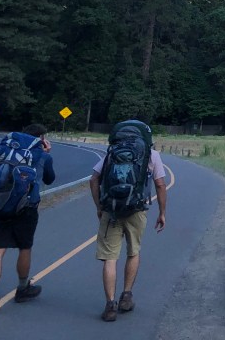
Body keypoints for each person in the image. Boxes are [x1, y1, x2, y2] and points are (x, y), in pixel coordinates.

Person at [89, 125, 166, 322]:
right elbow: (160, 184)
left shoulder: (112, 152)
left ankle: (110, 306)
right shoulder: (151, 154)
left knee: (110, 258)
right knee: (133, 252)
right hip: (136, 210)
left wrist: (99, 206)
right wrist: (162, 213)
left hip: (111, 210)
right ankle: (126, 296)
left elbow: (94, 179)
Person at [0, 123, 55, 313]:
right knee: (25, 247)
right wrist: (47, 153)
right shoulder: (42, 156)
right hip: (26, 208)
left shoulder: (9, 150)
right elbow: (49, 179)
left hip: (1, 204)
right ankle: (23, 288)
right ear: (41, 139)